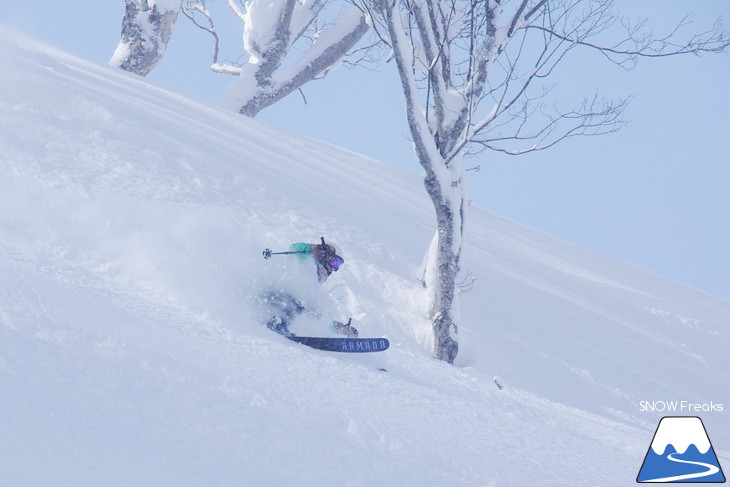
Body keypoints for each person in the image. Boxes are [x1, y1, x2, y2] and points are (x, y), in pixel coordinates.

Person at [264, 238, 355, 337]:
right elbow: (294, 248)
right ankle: (277, 323)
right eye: (335, 261)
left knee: (313, 311)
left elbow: (318, 315)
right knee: (298, 304)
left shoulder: (314, 283)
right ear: (327, 255)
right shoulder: (308, 258)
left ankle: (280, 322)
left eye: (338, 264)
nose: (334, 268)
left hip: (285, 300)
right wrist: (314, 247)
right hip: (274, 291)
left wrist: (338, 327)